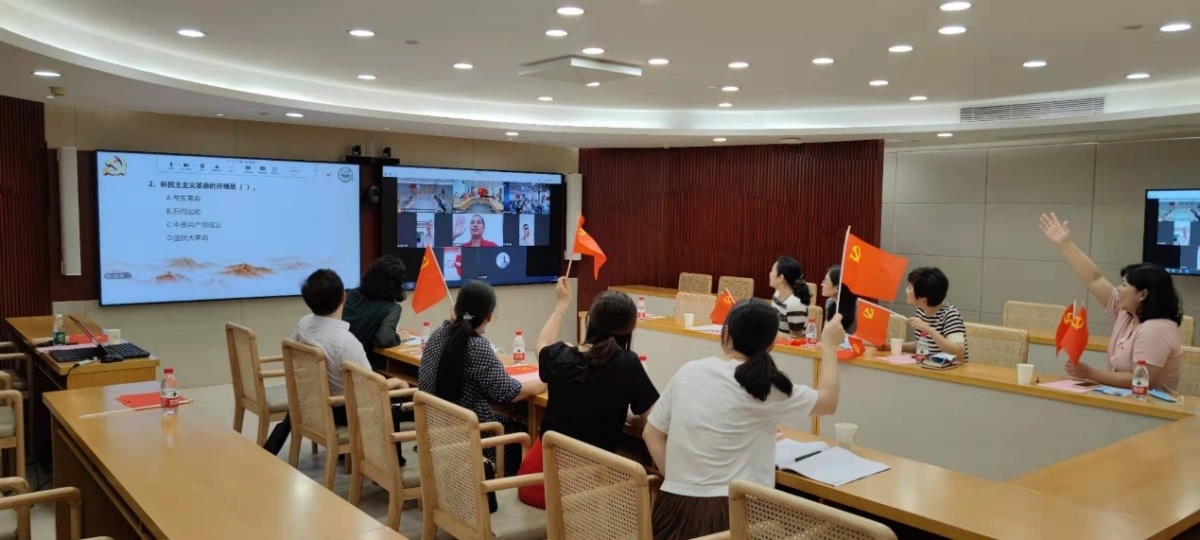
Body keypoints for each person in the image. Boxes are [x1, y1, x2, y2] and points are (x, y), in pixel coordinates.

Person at [643, 302, 845, 540]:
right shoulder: (766, 387)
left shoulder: (689, 371)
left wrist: (682, 483)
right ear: (771, 345)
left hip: (669, 512)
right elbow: (828, 401)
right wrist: (829, 347)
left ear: (726, 334)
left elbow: (651, 433)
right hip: (733, 516)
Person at [517, 279, 659, 509]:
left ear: (589, 321)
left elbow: (542, 343)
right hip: (581, 495)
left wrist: (562, 304)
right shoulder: (628, 363)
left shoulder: (559, 355)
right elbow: (653, 422)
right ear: (630, 328)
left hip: (534, 480)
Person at [263, 269, 408, 456]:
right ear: (343, 297)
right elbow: (370, 389)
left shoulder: (304, 324)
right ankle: (391, 464)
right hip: (343, 410)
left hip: (312, 403)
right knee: (404, 400)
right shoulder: (346, 342)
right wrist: (397, 382)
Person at [1039, 213, 1182, 391]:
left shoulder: (1157, 328)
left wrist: (1090, 373)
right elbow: (1094, 279)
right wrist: (1065, 243)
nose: (1119, 290)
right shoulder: (1127, 313)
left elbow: (1139, 380)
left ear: (1143, 294)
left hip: (1150, 404)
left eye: (1124, 285)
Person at [417, 280, 547, 475]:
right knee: (516, 432)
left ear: (455, 309)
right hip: (468, 437)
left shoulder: (438, 334)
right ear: (489, 316)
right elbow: (509, 392)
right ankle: (505, 486)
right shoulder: (477, 346)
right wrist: (545, 380)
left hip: (436, 432)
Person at [343, 256, 415, 371]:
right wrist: (399, 337)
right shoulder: (392, 309)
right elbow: (384, 340)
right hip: (359, 370)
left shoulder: (349, 294)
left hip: (335, 362)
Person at [891, 267, 969, 362]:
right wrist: (892, 346)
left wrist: (929, 329)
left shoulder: (950, 315)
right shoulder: (921, 311)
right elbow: (923, 346)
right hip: (929, 366)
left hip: (951, 369)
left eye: (909, 287)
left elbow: (959, 354)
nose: (906, 290)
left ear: (923, 298)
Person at [769, 256, 812, 337]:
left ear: (781, 278)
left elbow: (796, 338)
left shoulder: (795, 304)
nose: (770, 274)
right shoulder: (777, 294)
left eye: (772, 271)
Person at [821, 265, 858, 334]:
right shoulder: (829, 302)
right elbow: (825, 333)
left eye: (825, 281)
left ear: (837, 288)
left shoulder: (857, 308)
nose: (822, 284)